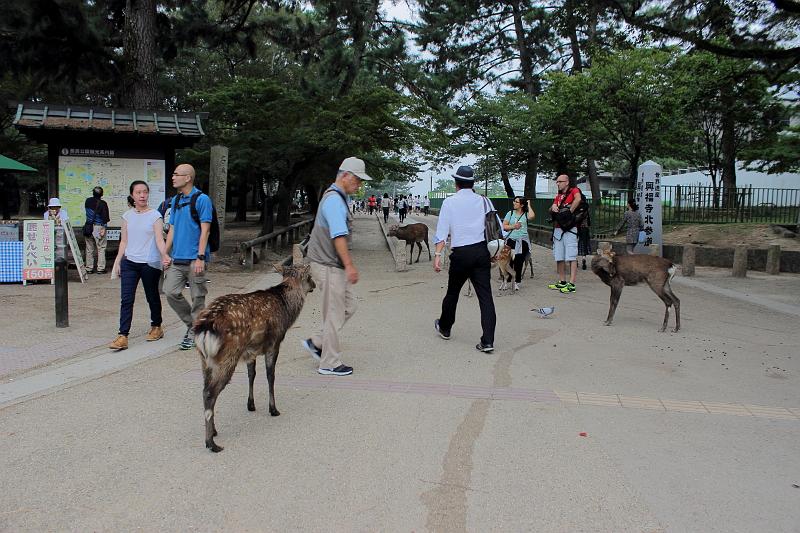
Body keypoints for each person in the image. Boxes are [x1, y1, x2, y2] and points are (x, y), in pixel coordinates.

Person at [301, 157, 371, 376]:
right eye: (357, 180)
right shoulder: (334, 201)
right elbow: (338, 236)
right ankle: (329, 362)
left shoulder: (337, 198)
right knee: (334, 312)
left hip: (331, 264)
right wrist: (349, 265)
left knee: (348, 306)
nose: (359, 185)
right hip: (328, 265)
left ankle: (318, 342)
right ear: (345, 175)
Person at [433, 165, 497, 353]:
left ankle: (445, 328)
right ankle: (487, 341)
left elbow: (442, 233)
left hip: (460, 254)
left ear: (456, 183)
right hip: (480, 253)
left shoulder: (450, 202)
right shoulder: (485, 201)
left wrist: (437, 256)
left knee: (452, 293)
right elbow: (496, 227)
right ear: (472, 183)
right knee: (485, 297)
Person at [108, 181, 170, 351]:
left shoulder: (155, 215)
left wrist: (165, 255)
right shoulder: (127, 216)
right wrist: (119, 261)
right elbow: (124, 241)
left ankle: (156, 326)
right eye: (138, 192)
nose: (142, 195)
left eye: (145, 192)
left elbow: (159, 239)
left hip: (149, 263)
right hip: (130, 262)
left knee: (152, 296)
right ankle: (123, 335)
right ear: (132, 195)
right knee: (126, 299)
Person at [164, 163, 213, 350]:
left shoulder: (202, 200)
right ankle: (193, 325)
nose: (173, 177)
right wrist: (165, 253)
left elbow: (205, 230)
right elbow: (172, 229)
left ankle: (195, 331)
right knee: (170, 292)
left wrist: (200, 257)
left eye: (177, 174)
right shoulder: (175, 201)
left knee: (197, 297)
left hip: (195, 259)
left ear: (188, 178)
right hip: (177, 258)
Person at [547, 174, 582, 294]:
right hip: (558, 228)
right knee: (559, 255)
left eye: (559, 181)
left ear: (567, 182)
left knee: (571, 256)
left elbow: (578, 199)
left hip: (570, 228)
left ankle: (571, 283)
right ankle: (562, 281)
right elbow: (551, 209)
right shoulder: (558, 196)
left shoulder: (574, 191)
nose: (558, 184)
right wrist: (553, 207)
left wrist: (569, 213)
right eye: (557, 182)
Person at [502, 196, 536, 291]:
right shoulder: (510, 213)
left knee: (518, 262)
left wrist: (529, 205)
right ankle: (507, 281)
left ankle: (516, 282)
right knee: (508, 262)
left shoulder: (525, 214)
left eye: (516, 202)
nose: (514, 203)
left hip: (522, 241)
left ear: (521, 204)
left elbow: (532, 216)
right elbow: (504, 226)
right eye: (514, 201)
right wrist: (513, 226)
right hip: (511, 240)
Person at [84, 186, 111, 274]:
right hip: (98, 227)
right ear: (102, 194)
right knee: (101, 248)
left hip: (88, 227)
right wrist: (104, 228)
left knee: (89, 248)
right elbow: (105, 218)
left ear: (93, 193)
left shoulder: (87, 201)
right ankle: (100, 268)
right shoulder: (103, 203)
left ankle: (89, 268)